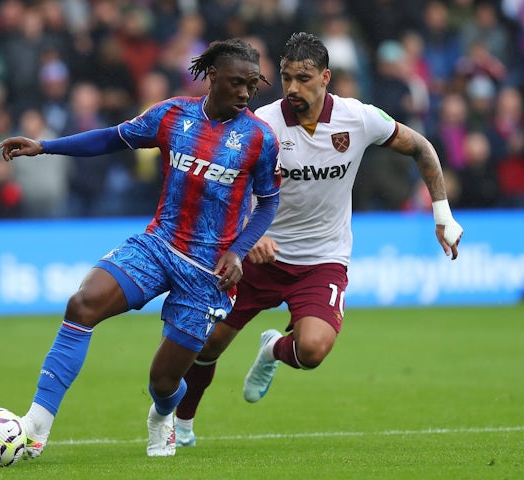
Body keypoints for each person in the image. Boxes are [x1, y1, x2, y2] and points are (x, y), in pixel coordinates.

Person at [174, 32, 464, 447]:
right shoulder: (262, 125)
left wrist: (442, 214)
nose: (293, 87)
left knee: (311, 351)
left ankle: (273, 349)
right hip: (259, 256)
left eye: (304, 78)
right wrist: (245, 236)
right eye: (288, 77)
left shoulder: (359, 118)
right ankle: (182, 423)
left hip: (323, 259)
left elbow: (421, 147)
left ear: (326, 77)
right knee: (206, 346)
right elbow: (224, 187)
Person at [0, 38, 281, 457]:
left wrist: (239, 250)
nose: (244, 93)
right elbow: (112, 138)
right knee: (83, 304)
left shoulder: (259, 138)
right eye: (237, 83)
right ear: (212, 77)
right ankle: (35, 427)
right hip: (158, 245)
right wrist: (45, 146)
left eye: (251, 86)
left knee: (163, 383)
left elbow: (269, 200)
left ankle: (162, 415)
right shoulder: (172, 115)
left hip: (209, 274)